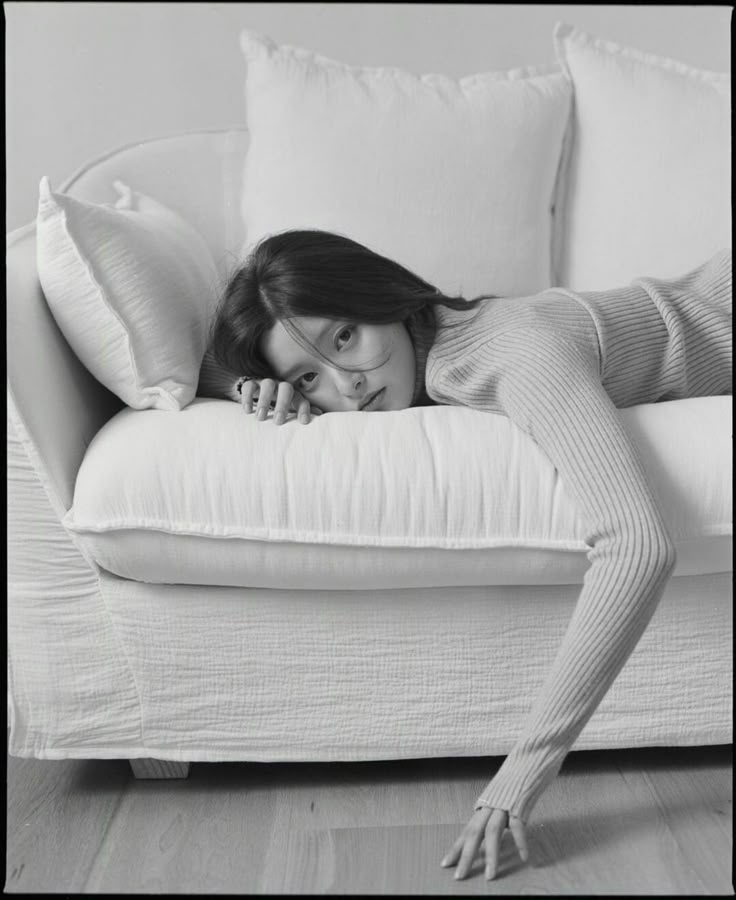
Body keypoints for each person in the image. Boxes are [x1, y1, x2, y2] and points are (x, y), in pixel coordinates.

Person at [204, 230, 732, 881]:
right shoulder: (430, 344)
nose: (349, 383)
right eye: (309, 376)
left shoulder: (508, 351)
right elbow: (204, 364)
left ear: (384, 297)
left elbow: (639, 546)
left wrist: (521, 777)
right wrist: (249, 388)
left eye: (346, 336)